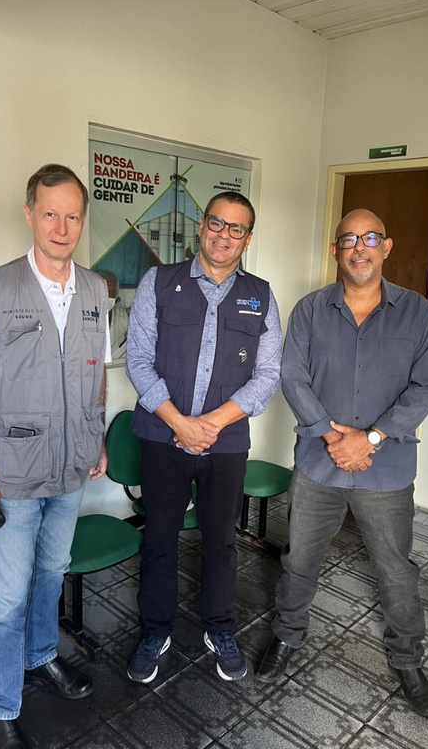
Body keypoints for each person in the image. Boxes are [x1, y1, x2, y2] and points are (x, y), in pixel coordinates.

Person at [256, 209, 428, 717]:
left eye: (369, 238)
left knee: (397, 571)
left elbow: (427, 384)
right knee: (299, 559)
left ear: (386, 246)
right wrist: (332, 437)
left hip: (386, 470)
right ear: (335, 250)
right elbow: (292, 376)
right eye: (347, 239)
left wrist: (372, 438)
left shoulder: (418, 313)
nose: (358, 247)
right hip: (320, 465)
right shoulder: (310, 310)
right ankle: (287, 636)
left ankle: (407, 660)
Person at [0, 164, 111, 749]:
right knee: (4, 595)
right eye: (50, 212)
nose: (62, 226)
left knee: (51, 572)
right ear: (30, 214)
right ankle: (1, 704)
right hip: (15, 473)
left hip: (71, 467)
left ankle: (43, 654)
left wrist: (96, 435)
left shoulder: (96, 289)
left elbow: (93, 372)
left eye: (73, 215)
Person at [125, 191, 282, 683]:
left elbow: (268, 374)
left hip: (226, 444)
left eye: (236, 228)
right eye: (216, 223)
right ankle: (156, 630)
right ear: (201, 226)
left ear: (248, 238)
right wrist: (180, 422)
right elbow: (138, 360)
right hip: (161, 437)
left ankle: (219, 627)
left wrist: (211, 424)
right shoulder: (159, 281)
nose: (224, 235)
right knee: (160, 540)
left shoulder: (261, 294)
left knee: (221, 541)